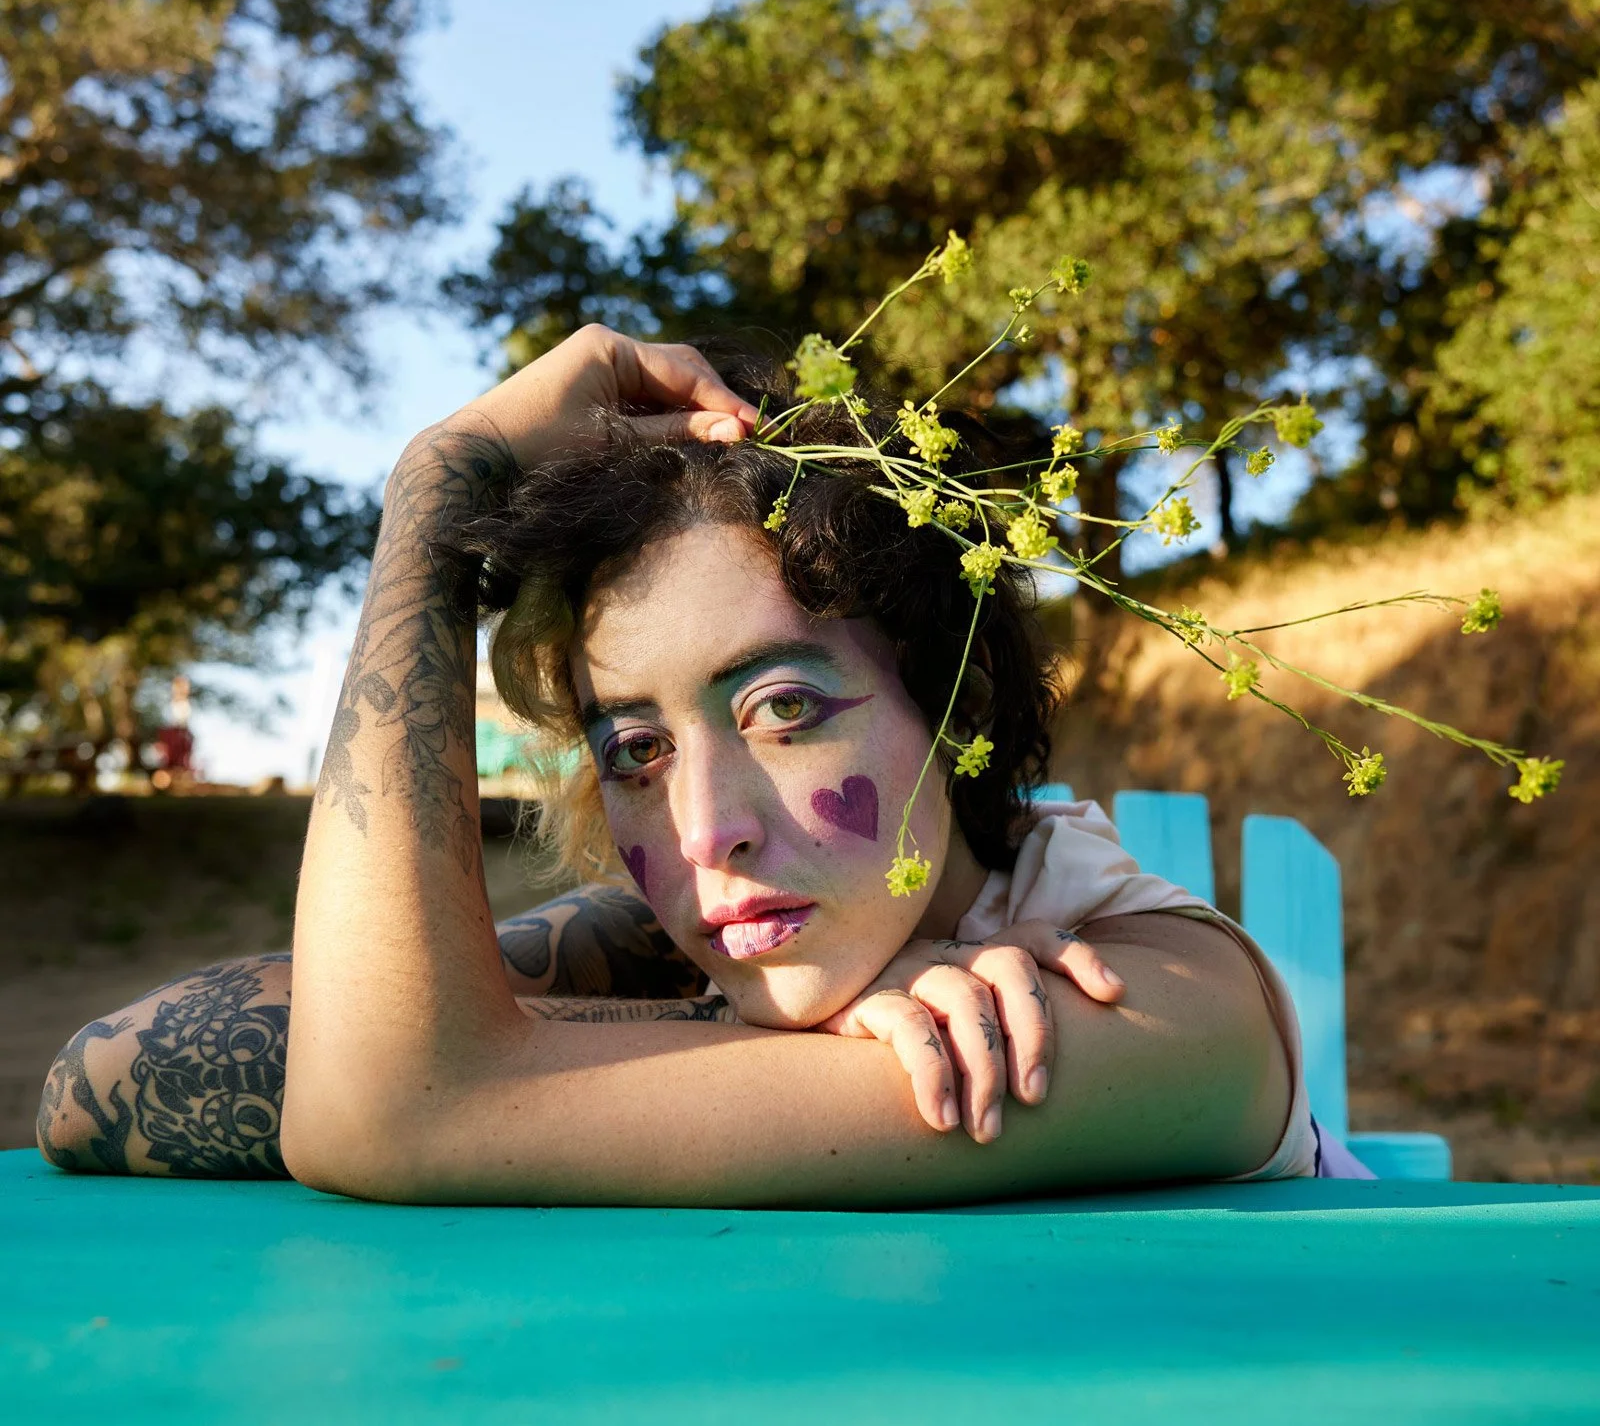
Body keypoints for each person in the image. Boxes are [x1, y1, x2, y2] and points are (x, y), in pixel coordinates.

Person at [37, 326, 1360, 1204]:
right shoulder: (721, 931)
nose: (708, 822)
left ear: (958, 702)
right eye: (635, 748)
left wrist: (438, 492)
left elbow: (393, 1100)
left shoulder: (1152, 1007)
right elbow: (99, 1076)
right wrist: (723, 1021)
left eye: (784, 706)